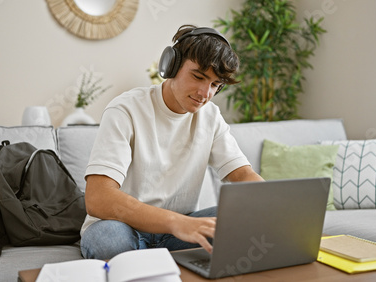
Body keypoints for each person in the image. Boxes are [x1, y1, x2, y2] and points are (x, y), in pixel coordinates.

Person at [80, 24, 264, 260]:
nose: (205, 93)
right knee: (108, 242)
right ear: (171, 66)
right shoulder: (125, 109)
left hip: (178, 232)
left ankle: (153, 262)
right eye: (198, 77)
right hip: (122, 227)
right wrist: (176, 222)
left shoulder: (211, 117)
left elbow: (242, 175)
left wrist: (270, 205)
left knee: (244, 219)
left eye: (215, 85)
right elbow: (98, 198)